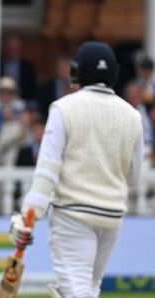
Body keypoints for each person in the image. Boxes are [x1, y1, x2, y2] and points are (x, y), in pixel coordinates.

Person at [9, 41, 144, 298]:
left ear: (76, 73)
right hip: (112, 217)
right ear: (113, 73)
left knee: (77, 291)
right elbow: (135, 178)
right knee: (87, 288)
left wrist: (27, 214)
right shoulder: (133, 116)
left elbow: (48, 168)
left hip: (73, 215)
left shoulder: (63, 108)